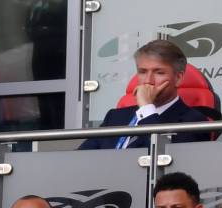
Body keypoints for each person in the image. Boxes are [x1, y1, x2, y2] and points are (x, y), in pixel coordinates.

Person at [79, 40, 211, 149]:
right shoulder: (114, 117)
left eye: (159, 72)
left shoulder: (193, 121)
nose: (148, 80)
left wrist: (146, 108)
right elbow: (80, 158)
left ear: (178, 78)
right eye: (142, 72)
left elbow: (167, 162)